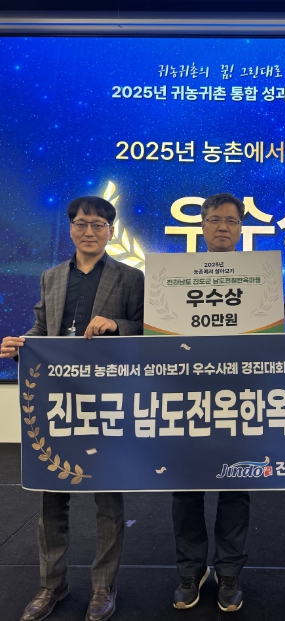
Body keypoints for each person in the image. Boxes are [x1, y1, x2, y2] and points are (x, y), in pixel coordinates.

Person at [1, 196, 144, 621]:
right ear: (70, 229)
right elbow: (42, 329)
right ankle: (52, 585)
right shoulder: (51, 277)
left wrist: (117, 325)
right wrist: (20, 344)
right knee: (52, 492)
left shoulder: (130, 277)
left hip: (108, 397)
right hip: (56, 396)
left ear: (111, 232)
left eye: (99, 224)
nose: (89, 231)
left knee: (108, 496)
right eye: (82, 223)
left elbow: (147, 329)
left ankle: (103, 588)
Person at [172, 193, 249, 613]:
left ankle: (229, 572)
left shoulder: (259, 277)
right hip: (185, 397)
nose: (223, 227)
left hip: (241, 399)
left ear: (241, 228)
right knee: (186, 490)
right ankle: (190, 571)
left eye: (231, 221)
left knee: (236, 489)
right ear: (201, 226)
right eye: (215, 219)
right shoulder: (176, 276)